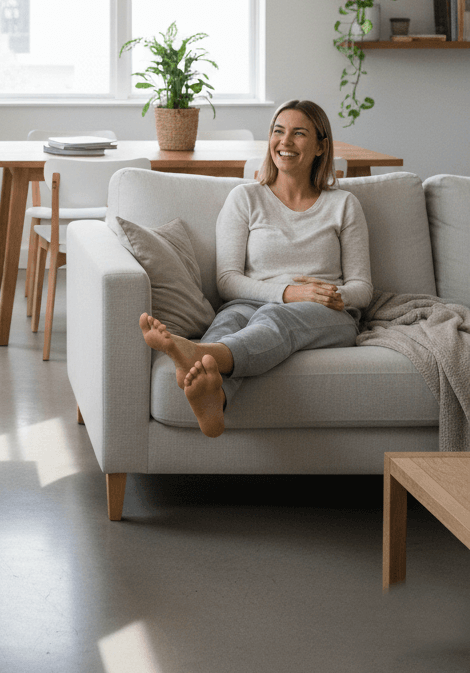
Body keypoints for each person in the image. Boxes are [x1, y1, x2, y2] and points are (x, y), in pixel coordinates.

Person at [139, 99, 372, 438]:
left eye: (299, 133)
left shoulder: (344, 204)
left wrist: (336, 296)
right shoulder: (245, 198)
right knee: (230, 321)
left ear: (322, 146)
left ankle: (198, 353)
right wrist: (287, 292)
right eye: (278, 131)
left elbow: (363, 287)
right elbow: (227, 280)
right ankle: (213, 401)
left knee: (274, 318)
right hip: (249, 302)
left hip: (324, 314)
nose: (285, 142)